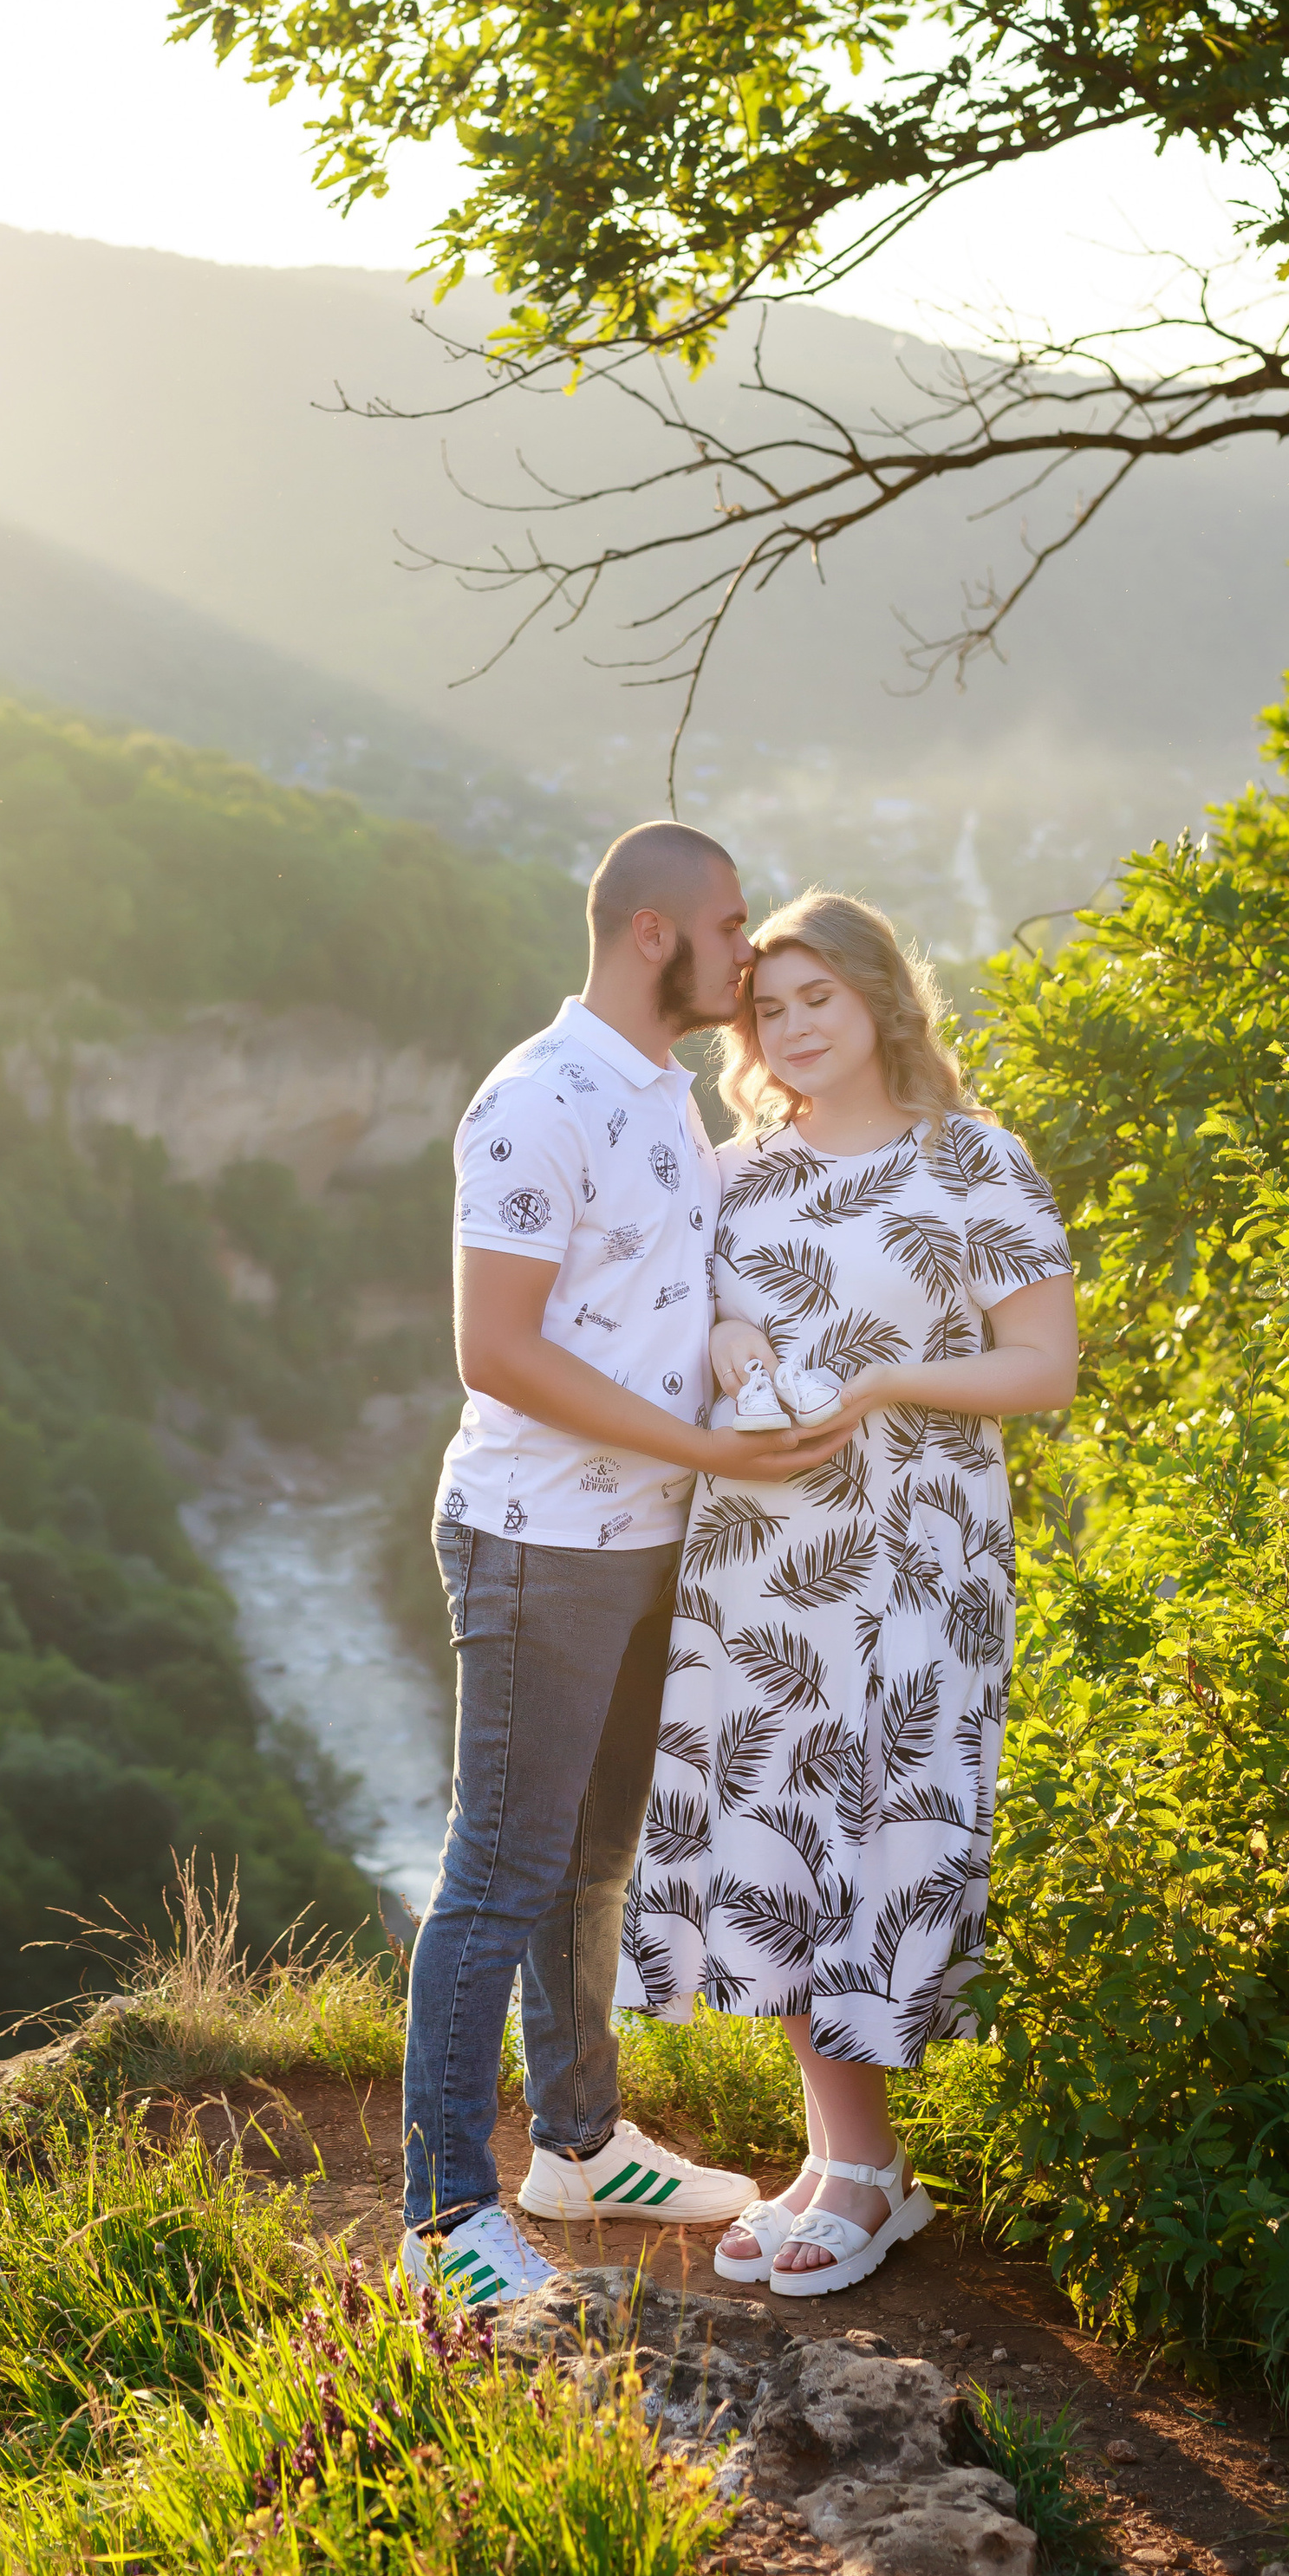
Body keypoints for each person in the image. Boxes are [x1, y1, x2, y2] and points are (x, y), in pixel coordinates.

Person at [402, 822, 849, 2308]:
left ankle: (578, 2145)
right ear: (655, 934)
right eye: (729, 927)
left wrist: (730, 1357)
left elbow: (670, 1293)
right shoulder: (536, 1101)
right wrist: (710, 1449)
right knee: (500, 1869)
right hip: (538, 1541)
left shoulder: (662, 1091)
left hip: (644, 1536)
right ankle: (447, 2218)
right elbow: (497, 1350)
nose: (749, 951)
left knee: (593, 1859)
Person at [617, 889, 1077, 2300]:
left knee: (876, 1825)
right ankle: (842, 2162)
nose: (794, 1026)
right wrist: (740, 1344)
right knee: (777, 1829)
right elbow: (698, 1331)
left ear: (881, 996)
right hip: (758, 1555)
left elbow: (1043, 1372)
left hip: (916, 1558)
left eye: (819, 996)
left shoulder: (973, 1163)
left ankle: (869, 2177)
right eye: (770, 1008)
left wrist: (880, 1380)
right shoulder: (743, 1178)